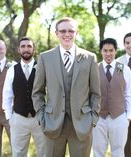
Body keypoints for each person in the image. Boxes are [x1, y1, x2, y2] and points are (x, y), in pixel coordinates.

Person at [32, 17, 101, 157]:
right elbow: (37, 92)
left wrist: (92, 119)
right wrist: (42, 117)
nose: (67, 34)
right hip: (52, 123)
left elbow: (96, 93)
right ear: (56, 33)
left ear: (77, 33)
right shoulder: (45, 58)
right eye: (63, 31)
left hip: (82, 124)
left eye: (71, 30)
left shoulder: (90, 58)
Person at [92, 38, 131, 157]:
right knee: (98, 151)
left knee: (118, 151)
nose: (108, 54)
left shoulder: (124, 69)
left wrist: (128, 117)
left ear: (116, 51)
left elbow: (130, 94)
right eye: (105, 50)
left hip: (119, 117)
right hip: (99, 118)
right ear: (101, 51)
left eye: (111, 50)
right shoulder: (94, 69)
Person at [2, 37, 44, 157]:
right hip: (18, 119)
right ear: (19, 50)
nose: (26, 49)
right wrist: (10, 118)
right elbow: (7, 95)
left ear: (34, 49)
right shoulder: (12, 70)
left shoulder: (42, 68)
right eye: (23, 46)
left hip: (40, 119)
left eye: (29, 46)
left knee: (44, 152)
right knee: (18, 153)